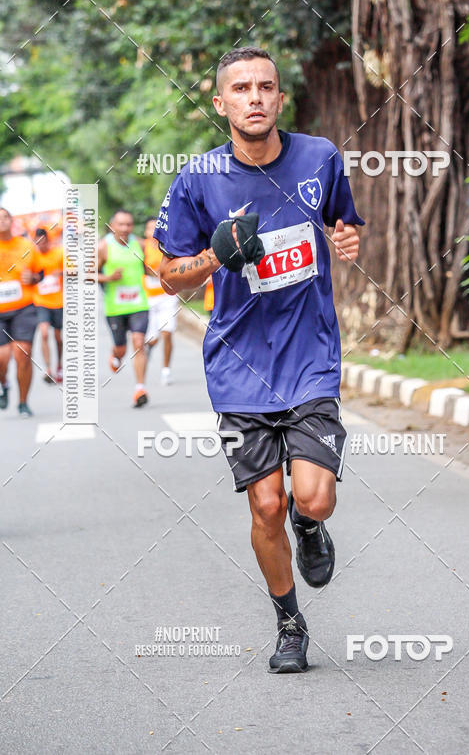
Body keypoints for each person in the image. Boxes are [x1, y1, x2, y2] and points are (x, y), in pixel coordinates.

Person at [155, 46, 363, 673]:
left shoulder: (320, 157)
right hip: (238, 366)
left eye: (265, 87)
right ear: (220, 104)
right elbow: (169, 276)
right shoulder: (198, 179)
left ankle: (310, 528)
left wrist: (347, 237)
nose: (253, 97)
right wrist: (217, 256)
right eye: (240, 88)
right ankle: (290, 625)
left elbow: (342, 224)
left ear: (279, 99)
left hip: (310, 358)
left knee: (313, 499)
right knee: (265, 504)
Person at [0, 206, 43, 416]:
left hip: (24, 308)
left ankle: (23, 403)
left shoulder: (26, 245)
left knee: (23, 353)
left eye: (6, 217)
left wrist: (34, 278)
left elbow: (41, 273)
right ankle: (4, 383)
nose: (2, 221)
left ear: (11, 221)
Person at [97, 210, 149, 407]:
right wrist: (108, 278)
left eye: (129, 224)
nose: (126, 228)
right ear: (112, 226)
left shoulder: (140, 244)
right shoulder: (103, 247)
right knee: (121, 348)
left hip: (139, 303)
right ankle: (116, 354)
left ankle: (140, 388)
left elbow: (150, 268)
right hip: (115, 308)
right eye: (121, 224)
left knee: (138, 341)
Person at [143, 217, 178, 385]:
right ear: (146, 231)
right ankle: (149, 346)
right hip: (148, 297)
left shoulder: (169, 245)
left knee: (167, 333)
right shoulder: (143, 247)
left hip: (168, 296)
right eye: (150, 228)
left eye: (156, 227)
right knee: (152, 338)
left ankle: (166, 370)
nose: (153, 231)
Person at [33, 227, 64, 383]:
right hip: (40, 301)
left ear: (48, 241)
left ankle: (59, 366)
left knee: (58, 338)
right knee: (44, 333)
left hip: (58, 301)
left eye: (43, 242)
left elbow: (74, 271)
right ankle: (48, 369)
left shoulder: (59, 253)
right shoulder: (32, 256)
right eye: (37, 243)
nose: (41, 246)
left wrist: (61, 273)